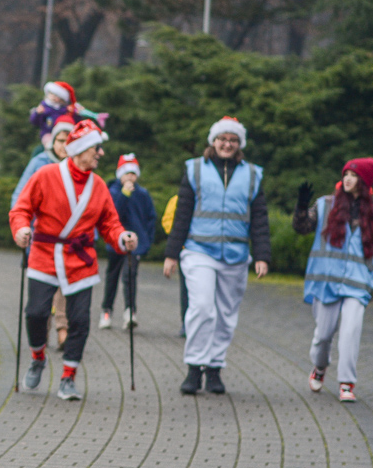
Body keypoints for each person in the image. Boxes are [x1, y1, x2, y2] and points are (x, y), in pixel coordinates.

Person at [10, 121, 139, 401]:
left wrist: (122, 238)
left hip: (81, 261)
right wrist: (21, 229)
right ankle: (37, 356)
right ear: (80, 150)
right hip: (44, 255)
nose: (101, 154)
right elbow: (21, 208)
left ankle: (68, 376)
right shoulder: (45, 175)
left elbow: (110, 224)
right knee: (35, 313)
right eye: (96, 148)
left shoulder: (100, 186)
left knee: (79, 321)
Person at [163, 116, 271, 395]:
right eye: (223, 139)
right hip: (199, 250)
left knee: (225, 313)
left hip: (235, 254)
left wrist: (262, 255)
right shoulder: (195, 169)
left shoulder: (253, 174)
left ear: (239, 145)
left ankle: (214, 368)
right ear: (214, 141)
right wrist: (171, 254)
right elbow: (182, 213)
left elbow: (259, 218)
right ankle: (193, 367)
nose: (227, 144)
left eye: (233, 140)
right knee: (201, 306)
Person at [293, 158, 373, 403]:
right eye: (345, 174)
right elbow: (302, 227)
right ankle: (319, 367)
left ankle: (347, 383)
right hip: (327, 281)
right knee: (323, 336)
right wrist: (301, 206)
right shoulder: (326, 205)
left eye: (353, 175)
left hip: (358, 284)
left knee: (351, 331)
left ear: (364, 181)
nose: (347, 179)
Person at [13, 114, 75, 347]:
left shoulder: (79, 169)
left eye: (69, 141)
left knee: (64, 288)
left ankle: (62, 329)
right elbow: (19, 198)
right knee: (42, 296)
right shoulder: (39, 163)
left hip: (68, 243)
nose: (64, 146)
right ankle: (42, 335)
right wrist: (21, 229)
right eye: (60, 140)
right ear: (53, 141)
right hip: (41, 241)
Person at [99, 153, 157, 329]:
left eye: (133, 173)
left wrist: (147, 240)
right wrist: (124, 194)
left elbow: (150, 218)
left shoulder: (143, 194)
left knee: (130, 276)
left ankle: (130, 312)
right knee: (112, 277)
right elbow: (112, 213)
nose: (130, 177)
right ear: (120, 174)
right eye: (126, 173)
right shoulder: (114, 191)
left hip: (135, 245)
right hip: (115, 243)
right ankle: (106, 311)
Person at [161, 194, 189, 336]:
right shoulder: (177, 200)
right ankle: (186, 323)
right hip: (185, 251)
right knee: (186, 289)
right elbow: (168, 221)